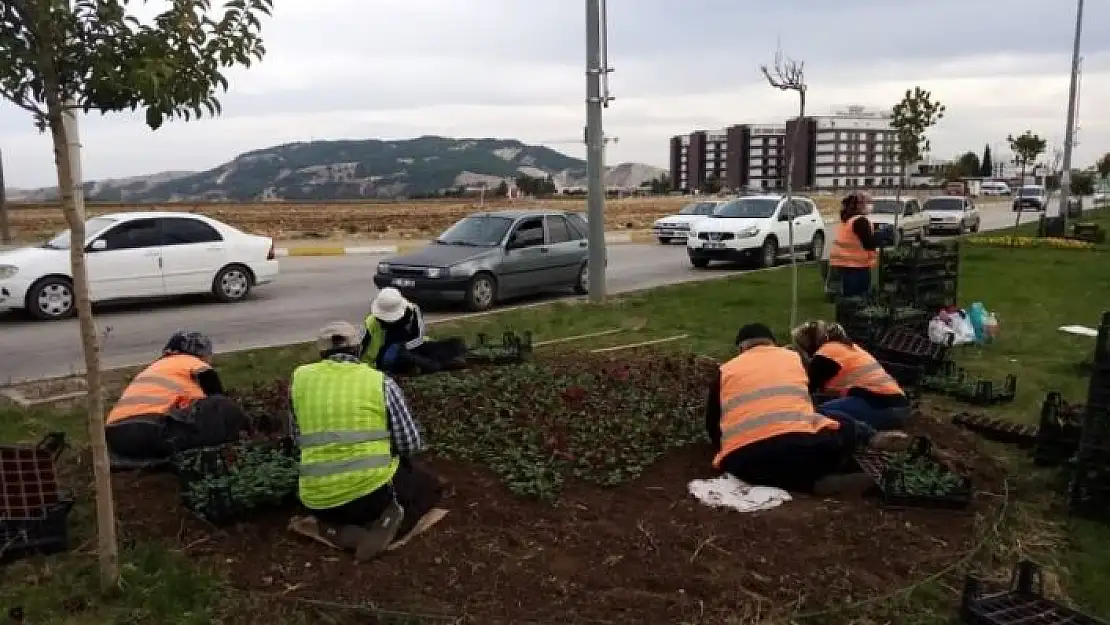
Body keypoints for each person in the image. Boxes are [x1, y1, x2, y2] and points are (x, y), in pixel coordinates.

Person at [292, 321, 443, 561]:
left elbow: (297, 438)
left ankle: (334, 529)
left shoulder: (299, 380)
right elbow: (409, 444)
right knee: (428, 487)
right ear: (358, 350)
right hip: (371, 495)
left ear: (321, 353)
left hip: (316, 498)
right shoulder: (379, 381)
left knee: (332, 505)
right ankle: (387, 521)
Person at [704, 323, 910, 495]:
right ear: (773, 343)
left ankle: (814, 485)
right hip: (802, 445)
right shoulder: (792, 359)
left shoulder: (725, 371)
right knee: (825, 421)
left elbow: (713, 426)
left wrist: (725, 446)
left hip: (743, 461)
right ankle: (866, 442)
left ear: (741, 349)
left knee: (771, 470)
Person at [106, 331, 248, 462]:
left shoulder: (154, 368)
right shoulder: (194, 364)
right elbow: (216, 398)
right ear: (202, 354)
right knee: (222, 406)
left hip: (115, 436)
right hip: (153, 429)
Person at [792, 320, 911, 431]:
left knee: (817, 415)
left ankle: (870, 436)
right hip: (898, 405)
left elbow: (805, 390)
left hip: (879, 407)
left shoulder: (825, 355)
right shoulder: (848, 347)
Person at [362, 288, 467, 375]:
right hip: (385, 355)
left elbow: (419, 337)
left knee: (452, 344)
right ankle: (430, 365)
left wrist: (404, 348)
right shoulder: (372, 322)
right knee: (403, 357)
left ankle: (434, 362)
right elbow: (366, 353)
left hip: (412, 346)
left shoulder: (413, 311)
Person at [830, 191, 878, 298]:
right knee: (858, 298)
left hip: (845, 264)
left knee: (848, 299)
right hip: (857, 266)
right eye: (867, 202)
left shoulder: (847, 220)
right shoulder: (860, 221)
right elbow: (869, 243)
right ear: (859, 205)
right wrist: (883, 236)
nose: (870, 205)